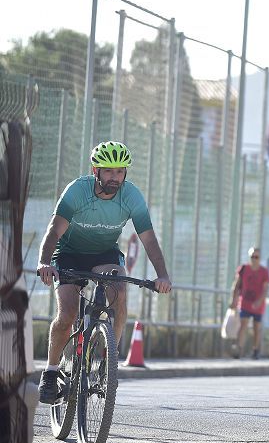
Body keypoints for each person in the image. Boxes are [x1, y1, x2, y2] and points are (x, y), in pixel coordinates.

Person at [35, 141, 173, 404]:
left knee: (120, 293)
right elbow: (54, 230)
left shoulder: (131, 196)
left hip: (104, 254)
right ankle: (51, 371)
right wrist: (44, 262)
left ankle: (110, 362)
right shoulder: (77, 191)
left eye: (120, 172)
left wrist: (162, 275)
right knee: (67, 314)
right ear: (95, 170)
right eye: (108, 171)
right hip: (69, 253)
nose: (114, 177)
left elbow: (149, 239)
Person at [230, 246, 269, 359]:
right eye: (252, 256)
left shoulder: (264, 272)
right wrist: (233, 300)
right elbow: (236, 285)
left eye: (256, 257)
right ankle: (239, 348)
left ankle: (255, 350)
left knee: (256, 327)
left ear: (260, 258)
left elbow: (266, 289)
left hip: (258, 305)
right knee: (243, 325)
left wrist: (259, 301)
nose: (254, 259)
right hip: (245, 303)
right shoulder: (244, 269)